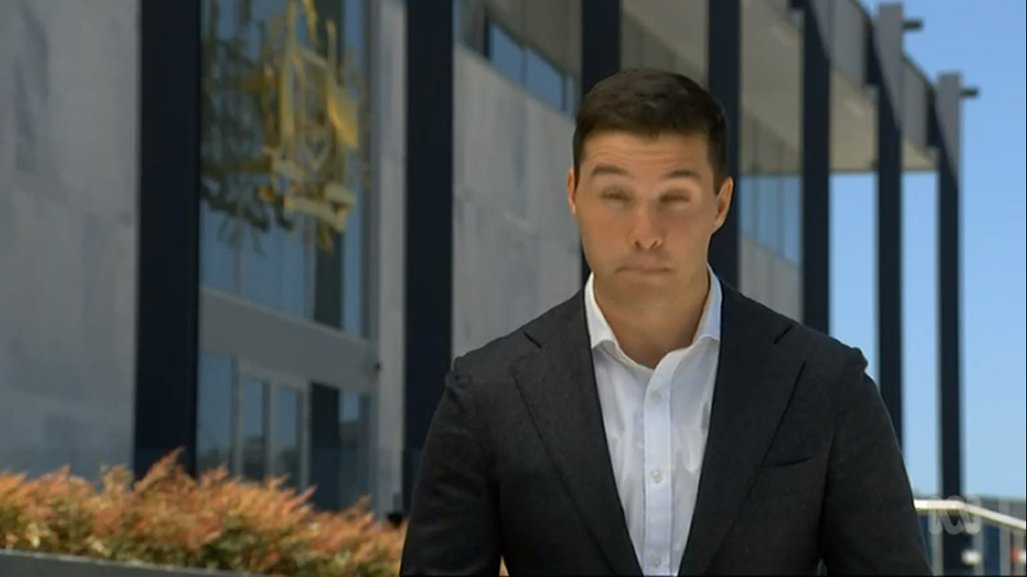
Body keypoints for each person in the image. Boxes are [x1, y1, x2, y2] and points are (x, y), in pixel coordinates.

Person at [399, 68, 931, 576]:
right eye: (615, 196)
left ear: (720, 203)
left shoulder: (826, 387)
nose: (645, 232)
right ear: (573, 194)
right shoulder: (488, 396)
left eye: (674, 198)